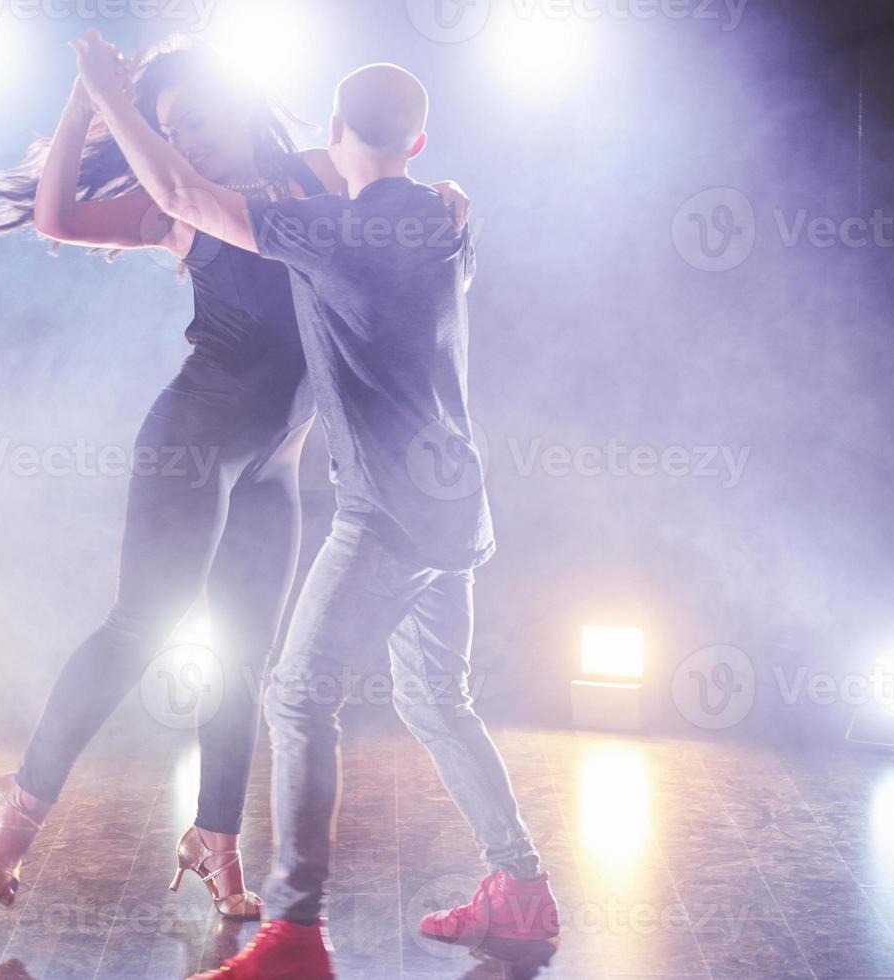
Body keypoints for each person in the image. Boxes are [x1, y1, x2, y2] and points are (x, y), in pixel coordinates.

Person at [71, 32, 558, 977]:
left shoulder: (323, 230)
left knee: (296, 698)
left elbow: (177, 198)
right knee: (438, 699)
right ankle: (522, 890)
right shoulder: (450, 218)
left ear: (335, 133)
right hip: (459, 508)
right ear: (419, 145)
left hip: (386, 515)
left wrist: (104, 94)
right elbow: (429, 203)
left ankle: (294, 935)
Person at [0, 36, 470, 922]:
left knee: (244, 656)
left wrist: (448, 200)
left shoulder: (321, 172)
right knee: (144, 625)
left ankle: (215, 838)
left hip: (277, 462)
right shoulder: (175, 207)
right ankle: (28, 795)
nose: (187, 139)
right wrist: (87, 101)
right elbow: (53, 218)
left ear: (241, 102)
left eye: (197, 117)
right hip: (194, 440)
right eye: (168, 129)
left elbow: (394, 196)